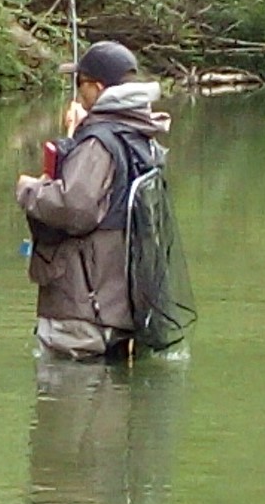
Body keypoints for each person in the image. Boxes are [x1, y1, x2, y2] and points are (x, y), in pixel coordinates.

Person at [15, 41, 171, 360]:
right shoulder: (140, 136)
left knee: (66, 401)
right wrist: (81, 130)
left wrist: (29, 189)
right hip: (123, 306)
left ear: (97, 87)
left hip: (82, 310)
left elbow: (76, 208)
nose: (77, 91)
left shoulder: (98, 143)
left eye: (80, 84)